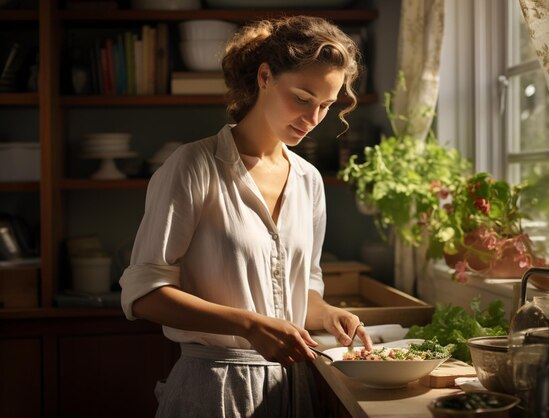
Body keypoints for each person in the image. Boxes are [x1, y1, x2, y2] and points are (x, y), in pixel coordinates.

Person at [119, 15, 373, 418]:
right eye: (303, 98)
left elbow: (300, 289)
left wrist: (327, 314)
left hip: (295, 389)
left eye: (326, 105)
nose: (312, 120)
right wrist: (250, 326)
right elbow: (144, 295)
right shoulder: (193, 166)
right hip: (213, 390)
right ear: (266, 76)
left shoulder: (308, 180)